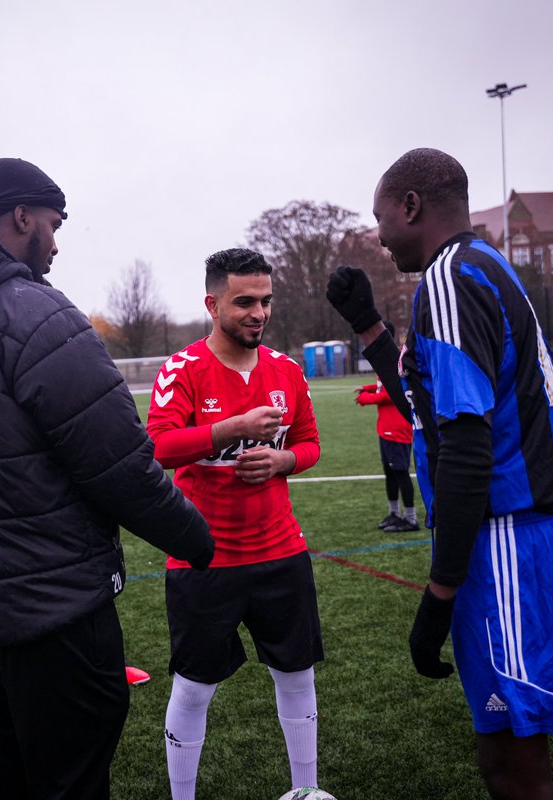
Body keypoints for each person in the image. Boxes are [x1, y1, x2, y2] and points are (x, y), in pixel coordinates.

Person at [0, 157, 213, 799]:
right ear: (21, 217)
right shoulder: (35, 314)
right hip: (52, 613)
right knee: (70, 784)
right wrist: (197, 540)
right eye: (54, 224)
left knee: (7, 783)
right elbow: (120, 465)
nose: (57, 242)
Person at [325, 148, 553, 800]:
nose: (379, 237)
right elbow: (430, 407)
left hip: (503, 538)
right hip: (519, 532)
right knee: (506, 754)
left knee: (515, 767)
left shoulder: (447, 280)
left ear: (411, 206)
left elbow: (466, 450)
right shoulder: (484, 266)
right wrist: (369, 327)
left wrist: (438, 596)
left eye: (381, 218)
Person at [146, 247, 323, 800]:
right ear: (212, 303)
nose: (258, 313)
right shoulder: (183, 369)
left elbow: (310, 443)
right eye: (244, 301)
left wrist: (283, 460)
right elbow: (155, 448)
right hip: (204, 557)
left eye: (266, 301)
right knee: (194, 689)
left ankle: (305, 790)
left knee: (297, 675)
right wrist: (231, 429)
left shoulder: (287, 371)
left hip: (280, 550)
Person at [354, 319, 418, 533]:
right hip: (386, 428)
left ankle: (411, 519)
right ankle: (395, 513)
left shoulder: (396, 358)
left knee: (400, 472)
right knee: (390, 472)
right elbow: (383, 385)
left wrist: (366, 398)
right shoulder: (385, 360)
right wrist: (368, 387)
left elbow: (394, 391)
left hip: (397, 428)